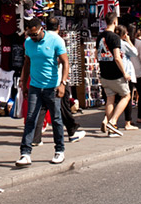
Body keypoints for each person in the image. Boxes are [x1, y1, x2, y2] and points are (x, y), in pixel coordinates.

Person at [15, 17, 69, 167]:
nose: (32, 37)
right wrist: (24, 83)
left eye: (34, 34)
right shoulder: (28, 43)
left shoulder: (55, 40)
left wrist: (63, 83)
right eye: (29, 35)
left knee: (56, 118)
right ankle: (25, 153)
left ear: (41, 29)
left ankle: (59, 150)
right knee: (30, 118)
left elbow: (65, 62)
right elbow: (27, 62)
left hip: (52, 86)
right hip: (35, 86)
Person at [31, 16, 86, 146]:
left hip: (41, 80)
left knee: (43, 108)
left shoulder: (40, 39)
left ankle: (36, 137)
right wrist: (63, 82)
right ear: (59, 27)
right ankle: (70, 133)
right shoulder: (57, 40)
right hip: (57, 79)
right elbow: (63, 60)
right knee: (61, 107)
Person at [96, 12, 131, 136]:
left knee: (110, 99)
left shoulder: (100, 36)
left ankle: (112, 129)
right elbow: (117, 57)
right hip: (115, 73)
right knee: (126, 96)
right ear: (115, 22)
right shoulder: (115, 37)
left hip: (104, 73)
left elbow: (97, 55)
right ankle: (113, 121)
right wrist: (125, 73)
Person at [116, 25, 140, 130]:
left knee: (114, 99)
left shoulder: (112, 43)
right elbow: (135, 53)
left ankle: (111, 120)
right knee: (127, 97)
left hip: (115, 73)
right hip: (126, 72)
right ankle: (127, 122)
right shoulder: (124, 44)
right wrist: (129, 40)